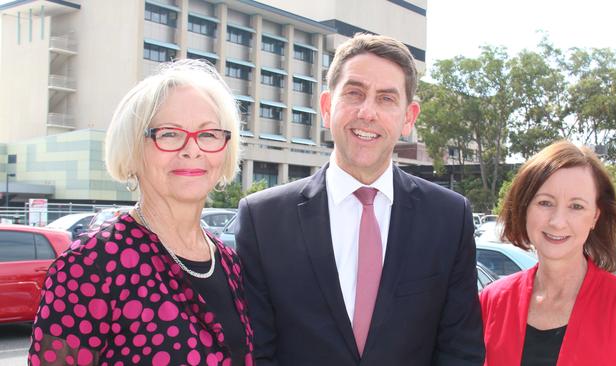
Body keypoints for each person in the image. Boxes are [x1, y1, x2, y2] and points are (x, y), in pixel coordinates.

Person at [236, 33, 485, 365]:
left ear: (409, 117)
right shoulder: (263, 219)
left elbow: (460, 350)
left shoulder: (449, 218)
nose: (367, 112)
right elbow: (257, 352)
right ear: (327, 107)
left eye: (386, 98)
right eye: (354, 93)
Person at [28, 59, 253, 365]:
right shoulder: (90, 266)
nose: (192, 149)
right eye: (170, 134)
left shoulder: (229, 263)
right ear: (133, 149)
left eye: (208, 134)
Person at [480, 140, 616, 365]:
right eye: (545, 203)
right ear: (524, 208)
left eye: (576, 206)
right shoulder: (491, 302)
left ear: (595, 217)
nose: (558, 222)